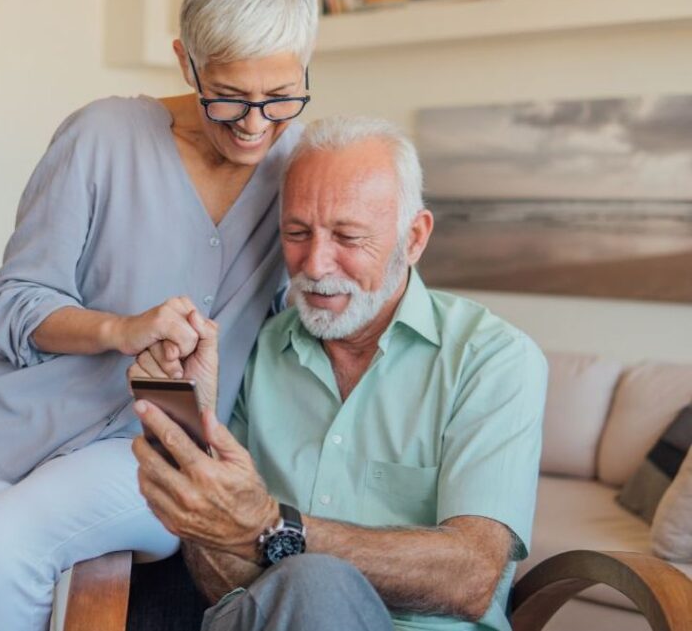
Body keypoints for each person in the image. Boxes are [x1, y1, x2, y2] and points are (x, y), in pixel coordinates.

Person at [0, 0, 319, 630]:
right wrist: (121, 330)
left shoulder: (300, 170)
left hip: (154, 445)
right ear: (188, 63)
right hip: (5, 424)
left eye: (282, 97)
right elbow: (14, 305)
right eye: (230, 96)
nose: (256, 124)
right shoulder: (101, 136)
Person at [130, 116, 548, 631]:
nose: (316, 264)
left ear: (413, 238)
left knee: (316, 582)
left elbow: (471, 576)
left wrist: (272, 527)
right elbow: (224, 582)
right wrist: (194, 434)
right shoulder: (257, 349)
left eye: (348, 236)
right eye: (296, 233)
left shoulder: (493, 359)